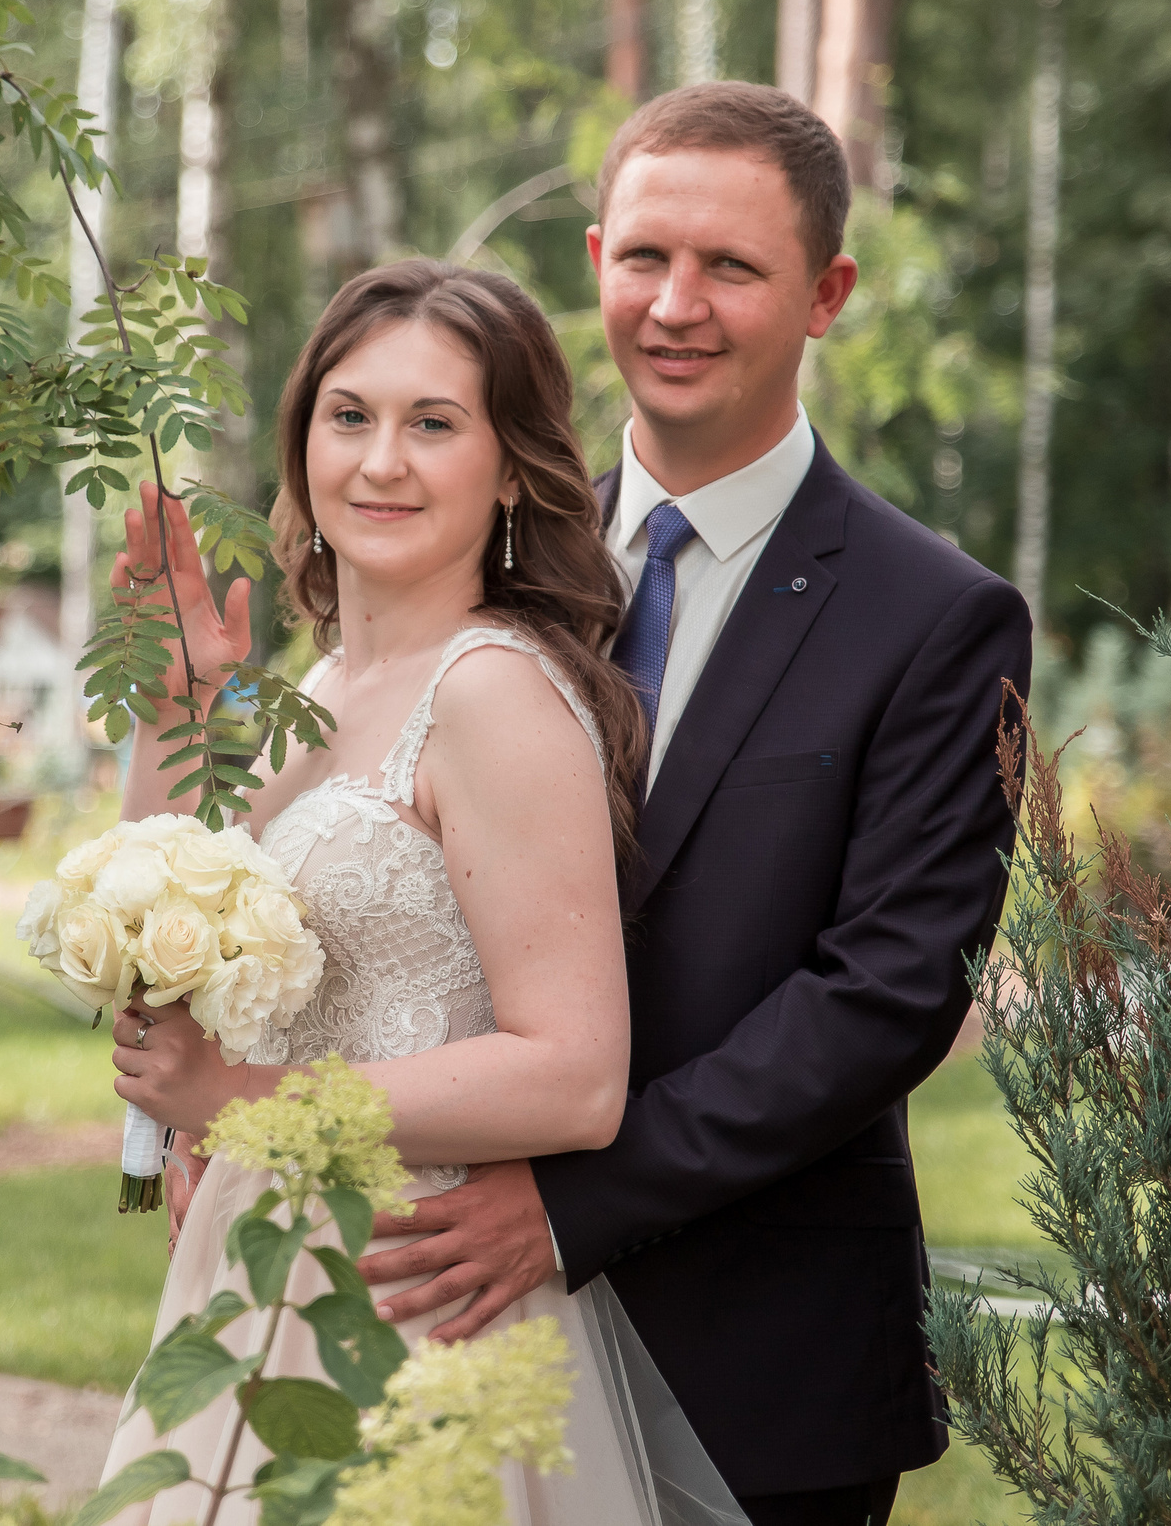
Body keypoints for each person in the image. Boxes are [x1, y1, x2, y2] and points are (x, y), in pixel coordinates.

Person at [350, 84, 1034, 1526]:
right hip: (452, 1329)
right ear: (596, 258)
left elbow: (888, 991)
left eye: (732, 266)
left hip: (765, 1354)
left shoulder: (939, 617)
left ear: (827, 294)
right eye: (646, 257)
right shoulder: (493, 577)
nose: (678, 303)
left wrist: (568, 1208)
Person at [98, 260, 747, 1525]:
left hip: (403, 1297)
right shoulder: (316, 691)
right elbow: (157, 950)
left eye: (432, 423)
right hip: (259, 1266)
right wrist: (175, 713)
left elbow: (573, 1075)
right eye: (349, 416)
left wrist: (231, 1102)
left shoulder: (493, 692)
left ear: (511, 467)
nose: (380, 461)